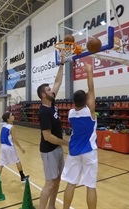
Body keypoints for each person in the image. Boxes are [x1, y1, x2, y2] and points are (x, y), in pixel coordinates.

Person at [61, 62, 98, 209]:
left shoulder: (70, 114)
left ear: (74, 102)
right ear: (86, 101)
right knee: (90, 186)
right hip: (89, 151)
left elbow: (88, 93)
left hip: (74, 151)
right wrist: (89, 71)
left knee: (71, 183)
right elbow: (91, 89)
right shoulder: (90, 112)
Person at [37, 62, 69, 209]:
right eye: (49, 90)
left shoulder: (52, 101)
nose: (52, 91)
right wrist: (66, 143)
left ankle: (52, 206)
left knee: (57, 180)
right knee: (50, 183)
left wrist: (62, 63)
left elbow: (58, 81)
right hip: (49, 150)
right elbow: (48, 136)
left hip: (57, 148)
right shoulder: (43, 112)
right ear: (44, 95)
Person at [0, 112, 29, 182]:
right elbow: (14, 139)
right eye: (11, 116)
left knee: (1, 164)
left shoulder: (3, 126)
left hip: (2, 147)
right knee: (17, 161)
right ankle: (22, 177)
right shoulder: (11, 127)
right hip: (9, 147)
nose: (13, 116)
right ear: (8, 119)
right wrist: (21, 148)